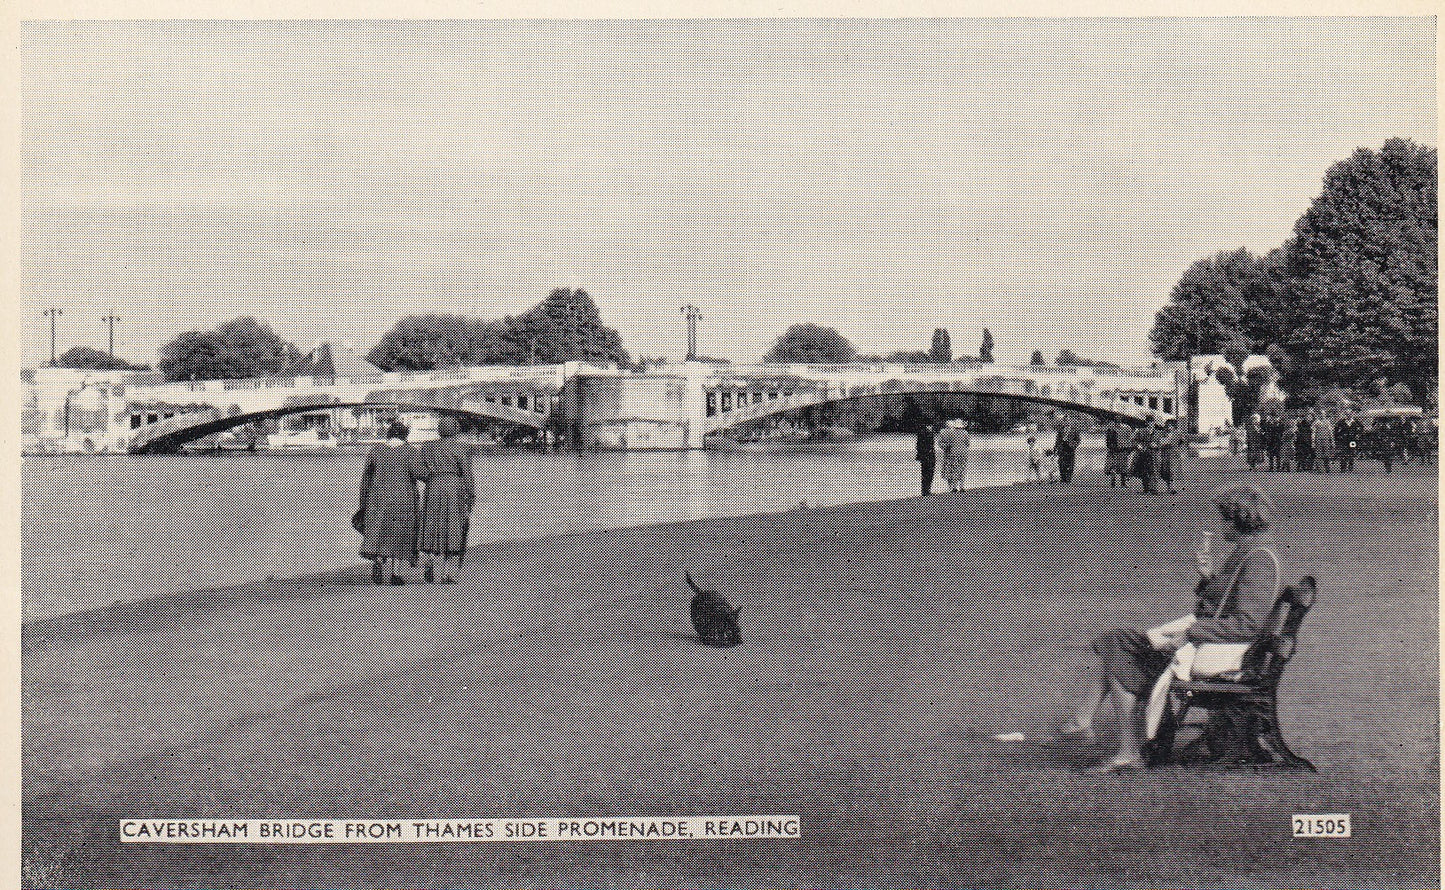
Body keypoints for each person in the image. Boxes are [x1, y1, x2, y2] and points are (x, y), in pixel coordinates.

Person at [1056, 485, 1281, 773]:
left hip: (1224, 653)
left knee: (1121, 648)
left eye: (1223, 518)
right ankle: (1087, 723)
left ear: (1238, 521)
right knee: (1118, 643)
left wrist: (1190, 633)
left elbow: (1247, 624)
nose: (1220, 524)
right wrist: (1208, 577)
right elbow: (1225, 603)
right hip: (1218, 645)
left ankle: (1123, 748)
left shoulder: (1258, 559)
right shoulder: (1251, 551)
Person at [358, 419, 428, 585]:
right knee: (398, 536)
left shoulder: (375, 451)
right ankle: (395, 574)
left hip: (378, 499)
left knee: (379, 532)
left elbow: (365, 480)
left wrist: (363, 504)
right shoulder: (410, 451)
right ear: (405, 435)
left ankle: (378, 562)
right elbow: (421, 474)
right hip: (403, 501)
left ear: (389, 434)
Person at [418, 415, 476, 584]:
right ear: (456, 430)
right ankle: (448, 573)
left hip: (433, 486)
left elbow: (422, 471)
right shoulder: (462, 448)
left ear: (439, 430)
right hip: (454, 487)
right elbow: (467, 474)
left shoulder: (427, 447)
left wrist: (433, 477)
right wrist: (471, 496)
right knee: (454, 526)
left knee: (431, 524)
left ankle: (428, 558)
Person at [938, 419, 971, 492]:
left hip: (953, 453)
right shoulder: (965, 433)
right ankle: (962, 487)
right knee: (962, 470)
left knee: (955, 470)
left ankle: (954, 487)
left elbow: (948, 443)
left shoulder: (951, 433)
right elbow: (968, 443)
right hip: (963, 454)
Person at [1131, 422, 1157, 493]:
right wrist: (1138, 445)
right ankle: (1146, 488)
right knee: (1144, 470)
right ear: (1147, 424)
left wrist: (1156, 445)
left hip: (1153, 454)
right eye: (1150, 423)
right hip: (1143, 453)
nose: (1152, 425)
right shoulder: (1140, 431)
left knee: (1153, 470)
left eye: (1153, 423)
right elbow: (1133, 440)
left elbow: (1160, 441)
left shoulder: (1156, 432)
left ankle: (1153, 488)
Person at [1156, 419, 1179, 495]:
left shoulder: (1176, 434)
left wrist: (1177, 448)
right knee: (1165, 470)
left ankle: (1172, 488)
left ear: (1173, 427)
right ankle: (1169, 486)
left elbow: (1181, 442)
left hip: (1173, 454)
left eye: (1171, 426)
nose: (1169, 428)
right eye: (1168, 426)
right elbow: (1160, 442)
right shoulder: (1163, 434)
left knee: (1172, 470)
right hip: (1164, 454)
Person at [1055, 417, 1082, 484]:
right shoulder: (1060, 430)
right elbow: (1057, 440)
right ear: (1063, 422)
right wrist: (1055, 448)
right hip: (1062, 449)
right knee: (1061, 464)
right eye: (1065, 421)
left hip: (1070, 449)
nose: (1066, 422)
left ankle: (1068, 478)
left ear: (1070, 421)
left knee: (1070, 464)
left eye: (1068, 421)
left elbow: (1078, 440)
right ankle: (1063, 478)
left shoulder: (1074, 430)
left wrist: (1074, 445)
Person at [1104, 420, 1130, 488]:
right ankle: (1123, 483)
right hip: (1122, 450)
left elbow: (1108, 442)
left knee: (1114, 466)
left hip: (1114, 450)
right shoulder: (1125, 429)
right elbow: (1128, 441)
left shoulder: (1110, 430)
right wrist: (1128, 449)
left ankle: (1114, 481)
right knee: (1123, 467)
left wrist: (1111, 448)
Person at [915, 422, 937, 496]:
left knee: (925, 473)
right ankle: (927, 490)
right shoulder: (928, 433)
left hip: (924, 456)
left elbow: (918, 445)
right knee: (929, 473)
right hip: (929, 456)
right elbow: (930, 445)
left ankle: (925, 490)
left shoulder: (921, 433)